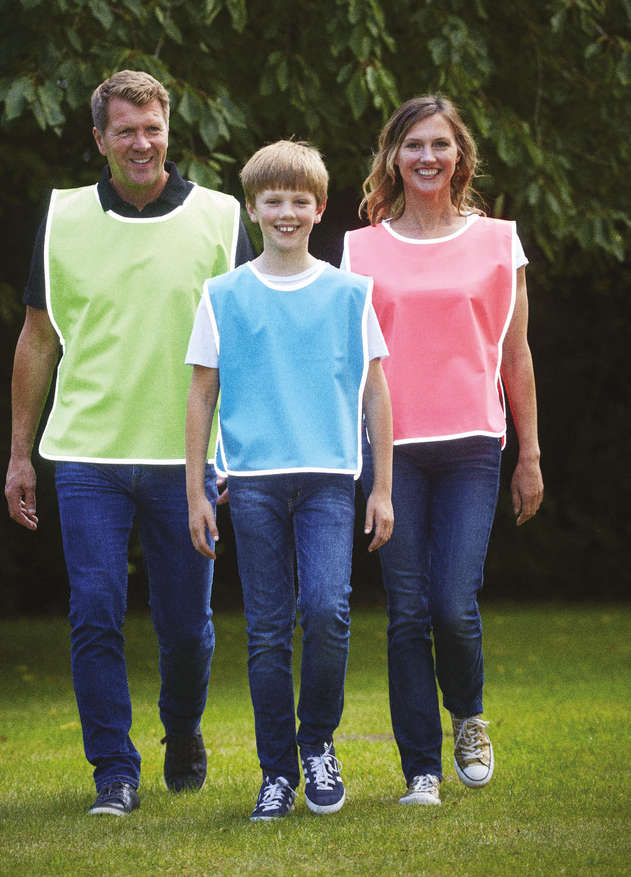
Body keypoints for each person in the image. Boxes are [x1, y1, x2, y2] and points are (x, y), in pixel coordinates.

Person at [4, 70, 253, 816]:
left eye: (152, 129)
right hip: (88, 453)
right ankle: (113, 770)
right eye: (125, 131)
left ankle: (182, 729)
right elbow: (38, 339)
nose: (141, 143)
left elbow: (245, 343)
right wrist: (18, 453)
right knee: (94, 610)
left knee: (187, 629)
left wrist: (235, 450)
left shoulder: (220, 217)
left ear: (168, 132)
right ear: (100, 139)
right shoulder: (64, 217)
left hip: (188, 459)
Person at [343, 95, 544, 807]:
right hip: (390, 454)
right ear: (392, 158)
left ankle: (468, 717)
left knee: (453, 605)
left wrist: (529, 455)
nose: (426, 157)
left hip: (471, 448)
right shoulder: (359, 250)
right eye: (413, 145)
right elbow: (346, 364)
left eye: (439, 144)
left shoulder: (499, 242)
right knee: (406, 611)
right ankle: (420, 771)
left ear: (460, 156)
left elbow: (515, 355)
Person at [185, 139, 394, 821]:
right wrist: (196, 490)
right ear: (252, 209)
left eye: (299, 201)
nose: (286, 212)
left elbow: (375, 393)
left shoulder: (349, 292)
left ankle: (317, 744)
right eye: (272, 200)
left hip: (329, 480)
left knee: (328, 611)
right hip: (252, 483)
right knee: (269, 630)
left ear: (319, 208)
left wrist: (382, 488)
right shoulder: (223, 295)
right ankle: (275, 772)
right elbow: (201, 395)